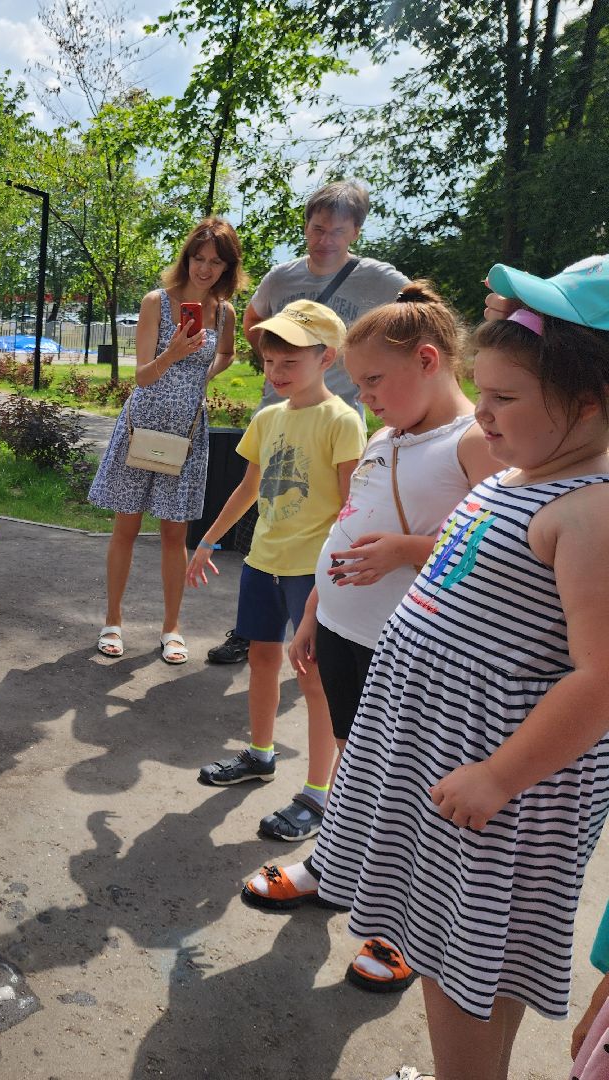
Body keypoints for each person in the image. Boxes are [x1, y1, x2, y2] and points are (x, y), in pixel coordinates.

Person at [308, 256, 609, 1080]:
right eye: (484, 390)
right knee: (460, 955)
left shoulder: (590, 512)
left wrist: (500, 776)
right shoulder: (525, 474)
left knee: (461, 966)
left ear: (589, 401)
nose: (483, 412)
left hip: (498, 789)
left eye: (505, 398)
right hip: (449, 762)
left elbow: (601, 679)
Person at [237, 283, 496, 996]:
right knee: (356, 768)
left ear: (428, 360)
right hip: (344, 631)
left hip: (410, 649)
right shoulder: (386, 436)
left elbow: (505, 543)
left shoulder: (472, 441)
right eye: (361, 383)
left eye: (376, 380)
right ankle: (332, 868)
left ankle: (405, 927)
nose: (367, 397)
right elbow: (350, 524)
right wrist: (314, 612)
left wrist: (409, 550)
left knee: (410, 785)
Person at [209, 180, 408, 665]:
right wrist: (282, 365)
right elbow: (253, 320)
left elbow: (419, 311)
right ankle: (252, 631)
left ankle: (321, 628)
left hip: (337, 418)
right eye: (317, 229)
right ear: (306, 227)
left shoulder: (380, 280)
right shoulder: (283, 277)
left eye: (337, 231)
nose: (325, 240)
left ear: (355, 232)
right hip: (279, 415)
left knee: (330, 516)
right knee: (267, 515)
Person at [185, 301, 365, 796]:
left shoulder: (342, 420)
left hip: (312, 569)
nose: (276, 372)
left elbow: (351, 506)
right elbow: (248, 488)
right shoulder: (267, 418)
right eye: (269, 361)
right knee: (262, 659)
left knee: (312, 676)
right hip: (262, 561)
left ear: (326, 358)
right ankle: (260, 755)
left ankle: (318, 792)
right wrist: (208, 540)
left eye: (290, 361)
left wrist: (336, 573)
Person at [87, 217, 246, 662]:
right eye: (199, 258)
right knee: (127, 527)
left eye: (216, 262)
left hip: (187, 433)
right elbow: (141, 376)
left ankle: (171, 627)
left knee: (175, 535)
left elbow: (227, 352)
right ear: (187, 258)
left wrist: (202, 374)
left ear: (228, 267)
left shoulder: (224, 313)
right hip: (142, 425)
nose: (205, 268)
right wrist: (174, 353)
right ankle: (113, 620)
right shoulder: (156, 302)